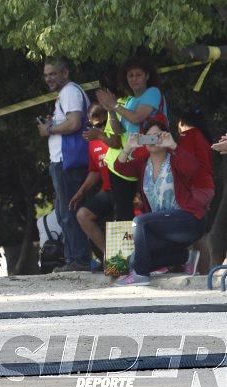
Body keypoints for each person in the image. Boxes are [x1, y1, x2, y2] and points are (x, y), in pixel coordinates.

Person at [112, 120, 214, 286]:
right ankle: (186, 257)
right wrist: (129, 147)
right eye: (148, 137)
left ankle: (141, 276)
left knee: (139, 222)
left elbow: (193, 169)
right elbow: (119, 167)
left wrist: (173, 145)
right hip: (161, 227)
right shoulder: (142, 164)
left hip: (187, 220)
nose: (153, 140)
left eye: (157, 136)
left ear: (165, 137)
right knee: (133, 261)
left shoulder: (175, 159)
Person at [36, 57, 91, 272]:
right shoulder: (65, 94)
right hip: (61, 161)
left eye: (53, 73)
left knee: (68, 212)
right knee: (62, 212)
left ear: (65, 73)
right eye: (46, 74)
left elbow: (75, 122)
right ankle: (73, 259)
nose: (49, 78)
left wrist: (48, 130)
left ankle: (78, 260)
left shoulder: (69, 92)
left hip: (67, 162)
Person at [97, 58, 168, 220]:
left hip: (153, 158)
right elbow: (119, 131)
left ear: (147, 76)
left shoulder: (153, 92)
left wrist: (115, 105)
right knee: (127, 211)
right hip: (134, 161)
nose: (134, 79)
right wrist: (111, 110)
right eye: (130, 76)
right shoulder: (129, 101)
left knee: (154, 206)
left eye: (138, 75)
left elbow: (137, 117)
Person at [70, 104, 114, 262]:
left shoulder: (116, 136)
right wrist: (81, 191)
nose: (99, 129)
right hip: (107, 191)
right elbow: (95, 170)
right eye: (95, 126)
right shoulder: (93, 141)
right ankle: (110, 257)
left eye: (103, 124)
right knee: (82, 215)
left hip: (125, 189)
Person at [177, 109, 215, 274]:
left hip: (197, 189)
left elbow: (184, 165)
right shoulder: (202, 136)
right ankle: (205, 271)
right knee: (198, 231)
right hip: (207, 188)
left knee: (193, 231)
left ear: (181, 123)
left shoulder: (188, 136)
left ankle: (197, 270)